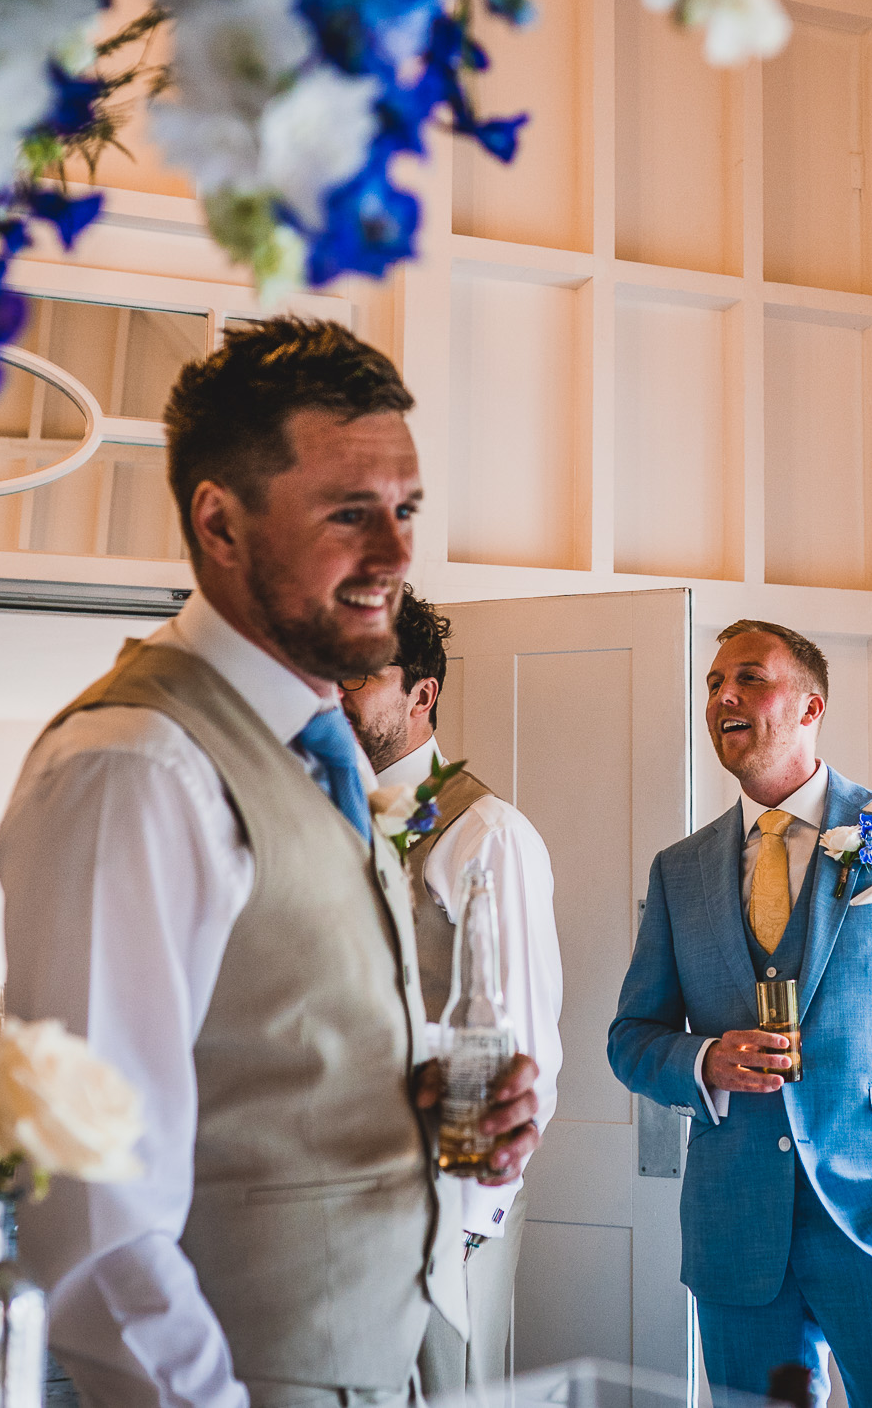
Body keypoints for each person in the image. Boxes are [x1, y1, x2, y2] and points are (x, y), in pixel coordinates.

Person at [0, 318, 541, 1408]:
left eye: (405, 510)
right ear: (220, 522)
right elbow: (95, 1219)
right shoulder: (135, 766)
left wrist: (406, 1097)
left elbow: (261, 1053)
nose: (394, 554)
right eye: (349, 513)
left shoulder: (316, 751)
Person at [608, 620, 872, 1408]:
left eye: (750, 678)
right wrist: (703, 1061)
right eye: (713, 682)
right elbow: (631, 1038)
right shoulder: (679, 870)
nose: (723, 695)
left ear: (809, 706)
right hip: (737, 1235)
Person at [343, 585, 565, 1393]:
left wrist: (469, 1218)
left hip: (450, 1207)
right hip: (348, 1199)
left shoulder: (485, 834)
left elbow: (514, 1039)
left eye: (355, 675)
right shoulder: (331, 823)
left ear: (421, 693)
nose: (331, 693)